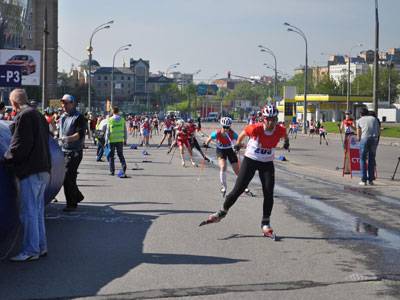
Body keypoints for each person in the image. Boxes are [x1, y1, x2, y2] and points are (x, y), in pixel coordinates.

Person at [204, 105, 289, 238]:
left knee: (268, 192)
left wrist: (287, 142)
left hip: (267, 162)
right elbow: (243, 134)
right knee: (238, 189)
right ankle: (222, 212)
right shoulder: (255, 128)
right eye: (268, 119)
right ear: (263, 119)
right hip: (251, 160)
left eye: (274, 119)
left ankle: (265, 224)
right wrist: (237, 144)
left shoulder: (279, 129)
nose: (271, 122)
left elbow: (285, 134)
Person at [1, 89, 51, 261]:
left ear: (14, 104)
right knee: (36, 211)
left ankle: (30, 250)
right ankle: (40, 246)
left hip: (30, 171)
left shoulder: (24, 116)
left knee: (28, 212)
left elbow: (20, 145)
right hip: (43, 169)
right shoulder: (38, 115)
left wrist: (7, 158)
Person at [204, 117, 250, 197]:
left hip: (230, 151)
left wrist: (239, 145)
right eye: (224, 127)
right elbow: (210, 138)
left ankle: (244, 187)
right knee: (223, 166)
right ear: (222, 126)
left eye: (228, 127)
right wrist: (206, 143)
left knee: (237, 171)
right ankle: (223, 187)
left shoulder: (232, 133)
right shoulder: (217, 133)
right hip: (221, 151)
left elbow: (239, 140)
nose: (226, 129)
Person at [59, 94, 86, 212]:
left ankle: (71, 204)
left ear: (72, 103)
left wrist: (66, 139)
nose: (63, 105)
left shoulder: (79, 117)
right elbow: (59, 131)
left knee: (68, 176)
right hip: (63, 150)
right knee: (69, 176)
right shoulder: (63, 116)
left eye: (66, 103)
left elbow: (79, 135)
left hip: (74, 151)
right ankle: (77, 196)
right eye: (62, 103)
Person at [357, 107, 380, 186]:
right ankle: (371, 180)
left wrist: (358, 140)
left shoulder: (359, 120)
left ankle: (363, 180)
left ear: (361, 114)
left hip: (364, 139)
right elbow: (378, 131)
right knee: (371, 159)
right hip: (374, 139)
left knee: (363, 159)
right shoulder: (374, 119)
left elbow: (358, 135)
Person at [105, 106, 127, 177]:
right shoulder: (122, 120)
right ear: (118, 111)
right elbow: (125, 131)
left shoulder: (110, 120)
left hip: (112, 140)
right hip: (120, 140)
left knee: (111, 156)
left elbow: (107, 131)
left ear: (112, 112)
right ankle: (124, 166)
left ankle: (112, 171)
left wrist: (106, 141)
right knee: (120, 154)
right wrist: (125, 139)